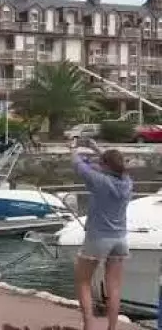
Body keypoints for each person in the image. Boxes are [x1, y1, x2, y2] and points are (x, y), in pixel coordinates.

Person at [70, 138, 132, 330]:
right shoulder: (128, 182)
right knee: (114, 288)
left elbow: (77, 164)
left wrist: (73, 148)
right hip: (120, 239)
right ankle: (111, 328)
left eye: (101, 163)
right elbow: (114, 166)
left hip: (98, 237)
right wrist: (97, 149)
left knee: (83, 281)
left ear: (105, 165)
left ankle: (89, 326)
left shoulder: (99, 180)